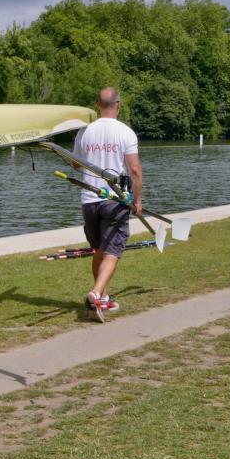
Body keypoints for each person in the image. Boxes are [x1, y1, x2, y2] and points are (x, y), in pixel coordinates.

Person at [73, 87, 142, 323]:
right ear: (118, 104)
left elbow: (74, 165)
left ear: (97, 104)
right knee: (113, 251)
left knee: (99, 250)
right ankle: (95, 293)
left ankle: (101, 297)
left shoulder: (84, 131)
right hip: (115, 200)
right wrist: (138, 200)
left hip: (89, 200)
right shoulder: (126, 133)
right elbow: (134, 170)